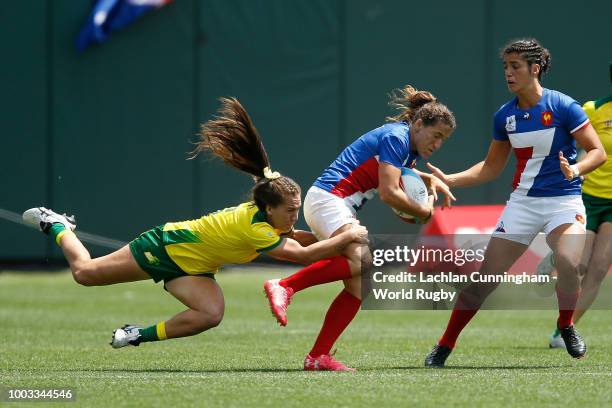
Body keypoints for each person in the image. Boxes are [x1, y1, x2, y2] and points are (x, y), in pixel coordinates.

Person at [22, 97, 368, 349]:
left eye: (296, 209)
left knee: (210, 314)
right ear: (270, 208)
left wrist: (336, 238)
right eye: (291, 210)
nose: (295, 215)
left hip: (195, 269)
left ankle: (136, 334)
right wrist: (347, 235)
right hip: (164, 248)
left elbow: (300, 240)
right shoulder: (255, 226)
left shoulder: (271, 222)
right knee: (85, 274)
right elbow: (302, 255)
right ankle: (57, 225)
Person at [423, 38, 607, 367]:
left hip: (564, 202)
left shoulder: (564, 106)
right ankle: (444, 345)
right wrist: (449, 179)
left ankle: (566, 325)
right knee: (482, 283)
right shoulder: (505, 117)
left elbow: (597, 152)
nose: (508, 73)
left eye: (515, 66)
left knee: (567, 261)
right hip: (523, 205)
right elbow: (491, 167)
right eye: (505, 67)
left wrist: (575, 169)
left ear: (535, 69)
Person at [264, 85, 457, 371]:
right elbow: (390, 192)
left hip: (334, 204)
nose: (438, 143)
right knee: (362, 258)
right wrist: (423, 210)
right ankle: (285, 285)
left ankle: (318, 356)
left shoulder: (406, 145)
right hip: (330, 199)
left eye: (444, 139)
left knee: (358, 284)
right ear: (418, 124)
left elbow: (396, 170)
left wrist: (428, 179)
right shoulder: (397, 138)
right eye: (436, 135)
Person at [542, 62, 612, 348]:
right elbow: (575, 145)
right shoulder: (594, 109)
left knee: (598, 269)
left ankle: (564, 329)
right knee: (577, 265)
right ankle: (555, 260)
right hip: (586, 196)